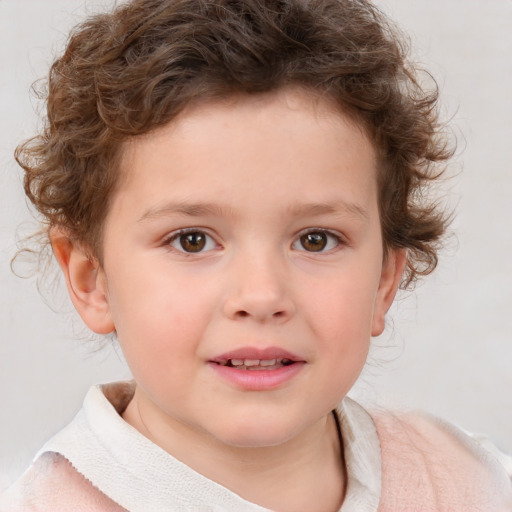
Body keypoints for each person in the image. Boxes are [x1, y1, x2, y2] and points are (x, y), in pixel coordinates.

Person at [1, 0, 511, 510]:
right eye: (192, 240)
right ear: (93, 279)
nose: (262, 296)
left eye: (316, 239)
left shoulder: (472, 485)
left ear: (383, 281)